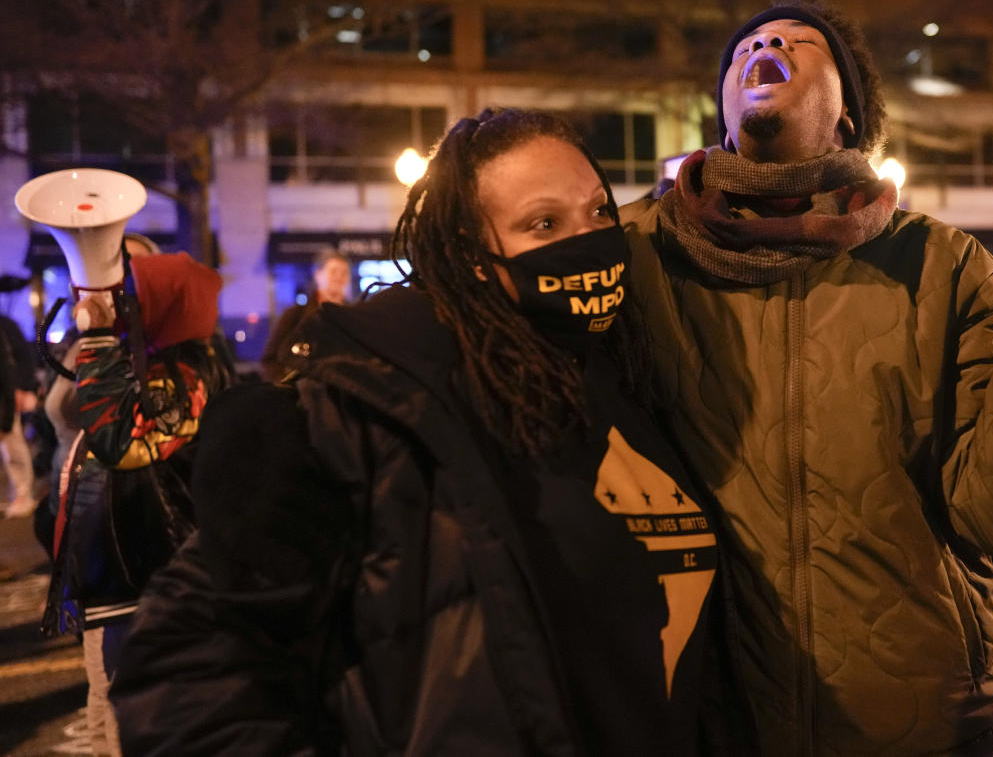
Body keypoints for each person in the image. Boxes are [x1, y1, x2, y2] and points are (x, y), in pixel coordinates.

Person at [110, 108, 742, 756]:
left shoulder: (625, 380)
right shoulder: (369, 407)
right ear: (469, 254)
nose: (587, 238)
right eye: (543, 223)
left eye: (599, 213)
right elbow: (186, 673)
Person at [621, 0, 993, 755]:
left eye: (804, 44)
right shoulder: (637, 254)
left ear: (849, 117)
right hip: (711, 724)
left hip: (924, 727)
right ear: (725, 110)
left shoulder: (942, 265)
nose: (767, 43)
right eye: (748, 47)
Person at [42, 250, 232, 755]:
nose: (122, 304)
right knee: (105, 699)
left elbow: (119, 442)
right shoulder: (151, 358)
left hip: (142, 568)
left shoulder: (185, 373)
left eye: (133, 296)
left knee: (129, 706)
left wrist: (101, 341)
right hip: (117, 568)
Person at [260, 247, 351, 380]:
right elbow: (270, 359)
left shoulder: (352, 314)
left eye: (344, 273)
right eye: (333, 272)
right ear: (318, 274)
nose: (339, 277)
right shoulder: (295, 314)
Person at [0, 311, 38, 518]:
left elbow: (20, 361)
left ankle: (23, 495)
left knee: (13, 448)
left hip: (6, 397)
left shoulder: (6, 326)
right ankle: (16, 494)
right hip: (7, 394)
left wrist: (22, 387)